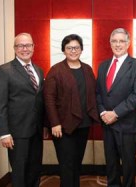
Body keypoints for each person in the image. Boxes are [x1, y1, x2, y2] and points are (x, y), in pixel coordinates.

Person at [44, 34, 99, 187]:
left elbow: (93, 94)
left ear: (81, 49)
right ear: (64, 50)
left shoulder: (87, 69)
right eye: (69, 48)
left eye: (76, 47)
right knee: (66, 165)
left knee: (76, 164)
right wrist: (54, 123)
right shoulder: (55, 70)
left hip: (83, 125)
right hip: (63, 127)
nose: (73, 51)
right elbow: (49, 99)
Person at [0, 33, 44, 187]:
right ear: (14, 48)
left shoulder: (39, 70)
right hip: (16, 133)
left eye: (28, 45)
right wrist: (3, 133)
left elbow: (39, 100)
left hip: (36, 130)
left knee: (35, 170)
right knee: (19, 172)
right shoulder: (4, 71)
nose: (25, 49)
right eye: (20, 45)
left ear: (34, 47)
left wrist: (45, 125)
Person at [96, 28, 136, 187]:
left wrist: (115, 113)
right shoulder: (103, 66)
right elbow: (98, 93)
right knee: (111, 164)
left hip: (127, 124)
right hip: (107, 124)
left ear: (128, 43)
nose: (118, 44)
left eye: (121, 41)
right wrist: (103, 112)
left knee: (129, 166)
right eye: (114, 41)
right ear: (110, 43)